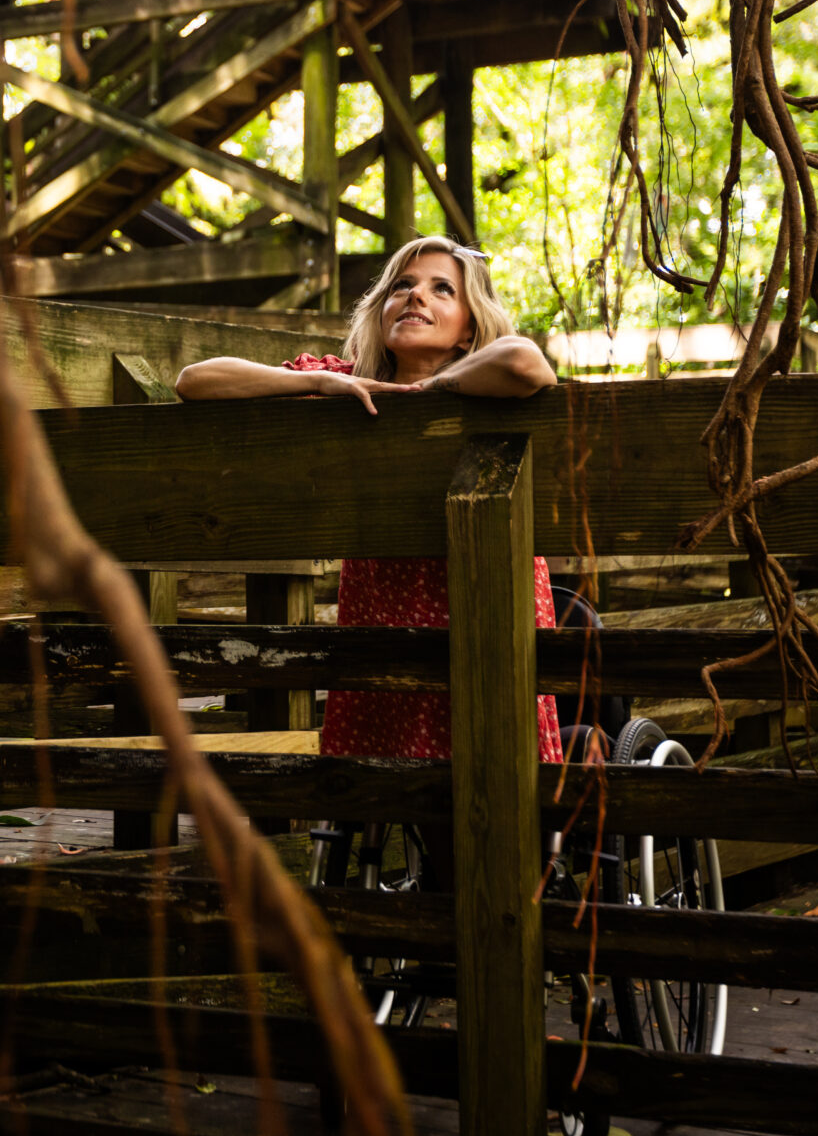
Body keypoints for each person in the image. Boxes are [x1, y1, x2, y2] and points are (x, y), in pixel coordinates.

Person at [172, 235, 563, 763]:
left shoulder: (492, 380)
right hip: (382, 622)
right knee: (386, 778)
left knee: (487, 768)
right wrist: (323, 384)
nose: (416, 296)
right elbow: (195, 381)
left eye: (441, 289)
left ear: (469, 326)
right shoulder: (348, 381)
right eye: (402, 286)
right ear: (381, 310)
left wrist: (432, 391)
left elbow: (523, 362)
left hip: (485, 612)